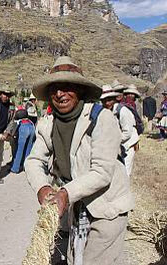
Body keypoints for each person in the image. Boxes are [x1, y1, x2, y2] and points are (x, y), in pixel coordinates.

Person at [25, 56, 134, 265]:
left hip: (106, 206)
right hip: (78, 206)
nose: (59, 94)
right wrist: (43, 188)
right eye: (54, 88)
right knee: (76, 258)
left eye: (67, 87)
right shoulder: (48, 123)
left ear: (80, 90)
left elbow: (102, 172)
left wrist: (65, 193)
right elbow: (33, 160)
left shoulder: (101, 118)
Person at [0, 87, 16, 184]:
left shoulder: (11, 107)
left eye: (8, 95)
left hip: (1, 134)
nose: (6, 97)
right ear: (0, 94)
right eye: (4, 94)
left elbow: (12, 120)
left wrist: (7, 132)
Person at [10, 106, 35, 173]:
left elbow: (14, 128)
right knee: (28, 148)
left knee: (19, 149)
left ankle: (15, 168)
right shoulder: (29, 119)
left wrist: (12, 134)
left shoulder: (18, 119)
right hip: (31, 127)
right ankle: (26, 167)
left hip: (23, 128)